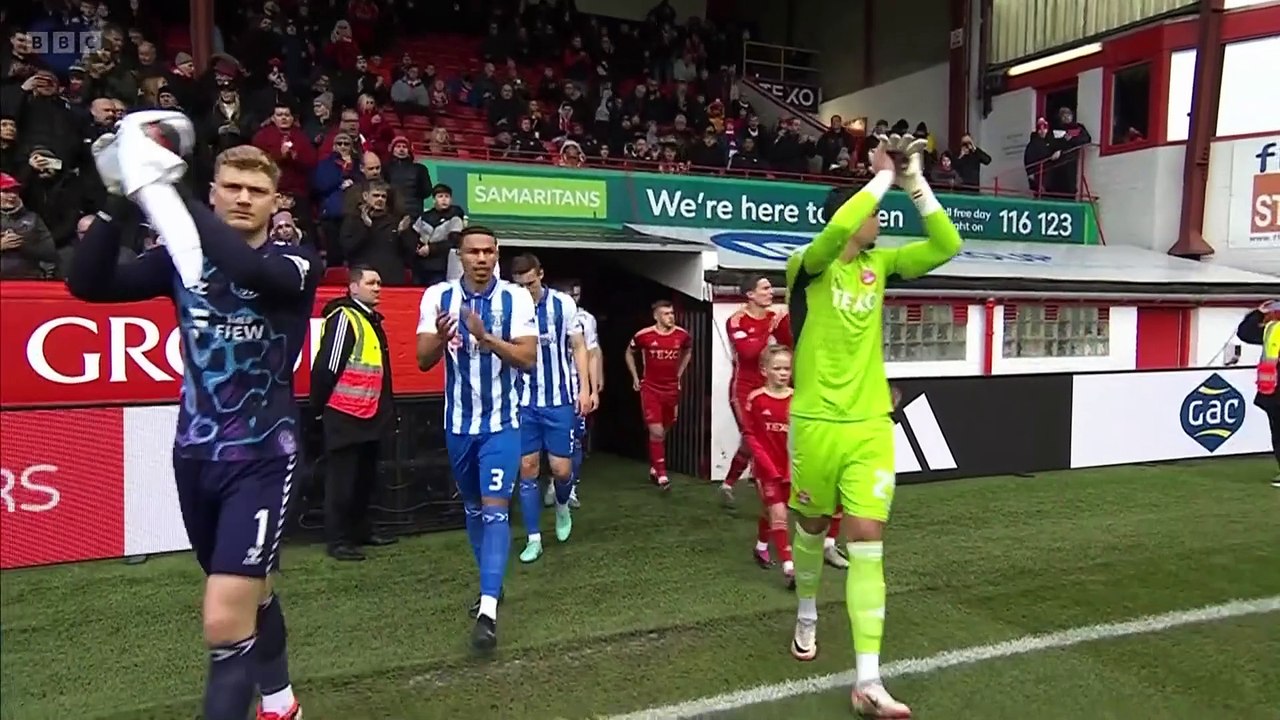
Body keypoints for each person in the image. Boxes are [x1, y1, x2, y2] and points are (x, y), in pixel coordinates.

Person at [67, 140, 319, 719]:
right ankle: (281, 703)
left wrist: (166, 188)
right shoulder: (181, 261)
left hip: (264, 457)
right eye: (231, 187)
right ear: (214, 192)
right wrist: (119, 197)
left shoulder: (297, 261)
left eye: (257, 191)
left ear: (275, 201)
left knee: (223, 621)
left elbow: (248, 268)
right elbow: (88, 284)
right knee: (254, 590)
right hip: (194, 455)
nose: (243, 198)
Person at [785, 135, 962, 718]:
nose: (880, 223)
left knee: (866, 543)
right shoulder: (805, 268)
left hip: (869, 425)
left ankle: (867, 682)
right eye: (875, 214)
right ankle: (807, 611)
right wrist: (879, 177)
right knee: (811, 525)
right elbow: (835, 235)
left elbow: (946, 243)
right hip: (814, 424)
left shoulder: (879, 264)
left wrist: (913, 180)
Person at [415, 226, 537, 651]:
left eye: (488, 251)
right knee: (473, 508)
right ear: (460, 257)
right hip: (458, 426)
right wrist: (444, 336)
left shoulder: (516, 298)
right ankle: (493, 581)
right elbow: (423, 359)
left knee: (495, 510)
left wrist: (486, 338)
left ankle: (487, 610)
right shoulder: (437, 297)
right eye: (473, 252)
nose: (482, 259)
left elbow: (527, 358)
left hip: (502, 425)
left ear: (497, 255)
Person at [508, 254, 595, 563]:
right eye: (520, 285)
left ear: (541, 275)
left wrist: (584, 388)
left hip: (559, 400)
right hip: (523, 402)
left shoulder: (563, 305)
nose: (526, 290)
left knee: (561, 470)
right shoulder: (508, 305)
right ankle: (533, 539)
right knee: (527, 469)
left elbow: (579, 347)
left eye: (530, 283)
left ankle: (561, 505)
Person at [310, 265, 398, 561]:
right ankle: (338, 540)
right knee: (342, 480)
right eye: (371, 282)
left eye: (379, 283)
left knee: (364, 477)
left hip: (369, 412)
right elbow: (327, 367)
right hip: (345, 413)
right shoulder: (344, 318)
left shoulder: (369, 319)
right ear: (353, 287)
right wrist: (320, 407)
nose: (377, 287)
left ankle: (360, 531)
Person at [743, 344, 797, 588]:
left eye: (787, 368)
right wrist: (766, 465)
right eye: (778, 368)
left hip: (790, 468)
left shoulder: (797, 400)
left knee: (770, 512)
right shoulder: (755, 399)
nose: (783, 373)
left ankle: (761, 546)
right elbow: (750, 435)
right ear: (765, 370)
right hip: (766, 469)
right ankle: (789, 565)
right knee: (778, 513)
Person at [545, 278, 601, 508]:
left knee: (576, 439)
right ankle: (551, 482)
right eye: (570, 294)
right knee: (545, 441)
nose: (574, 299)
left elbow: (592, 352)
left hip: (575, 386)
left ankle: (570, 488)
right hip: (547, 388)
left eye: (577, 295)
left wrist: (593, 388)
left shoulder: (586, 319)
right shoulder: (541, 314)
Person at [625, 300, 692, 490]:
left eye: (671, 313)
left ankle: (655, 464)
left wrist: (679, 373)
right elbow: (629, 353)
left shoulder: (682, 335)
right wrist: (636, 377)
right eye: (666, 314)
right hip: (651, 388)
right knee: (656, 431)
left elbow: (688, 350)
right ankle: (662, 475)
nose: (670, 317)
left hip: (671, 389)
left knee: (666, 427)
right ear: (656, 316)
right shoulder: (644, 335)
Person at [1235, 300, 1280, 488]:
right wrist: (1258, 314)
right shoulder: (1272, 330)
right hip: (1274, 391)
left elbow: (1246, 332)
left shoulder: (1272, 329)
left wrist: (1258, 313)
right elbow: (1245, 333)